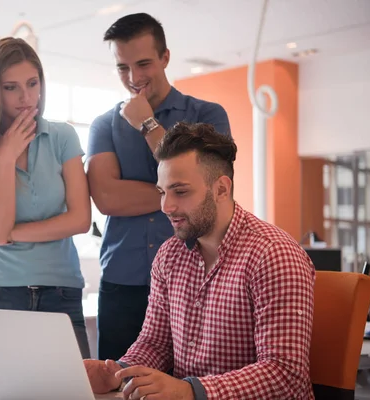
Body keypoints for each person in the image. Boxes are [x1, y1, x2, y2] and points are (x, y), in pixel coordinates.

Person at [84, 122, 315, 400]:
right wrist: (119, 374)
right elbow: (155, 344)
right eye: (162, 192)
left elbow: (285, 374)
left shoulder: (273, 254)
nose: (166, 207)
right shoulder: (169, 255)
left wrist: (190, 391)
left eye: (180, 191)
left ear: (220, 189)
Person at [86, 13, 232, 361]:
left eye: (143, 64)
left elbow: (210, 187)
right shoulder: (104, 125)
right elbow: (106, 199)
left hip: (194, 278)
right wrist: (184, 192)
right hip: (122, 281)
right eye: (122, 67)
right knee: (117, 384)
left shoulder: (208, 116)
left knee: (182, 384)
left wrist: (147, 124)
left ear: (165, 57)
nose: (134, 78)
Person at [0, 37, 92, 359]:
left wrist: (7, 233)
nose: (26, 97)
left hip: (61, 289)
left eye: (33, 83)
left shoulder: (62, 137)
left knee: (75, 392)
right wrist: (4, 158)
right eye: (11, 87)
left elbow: (80, 220)